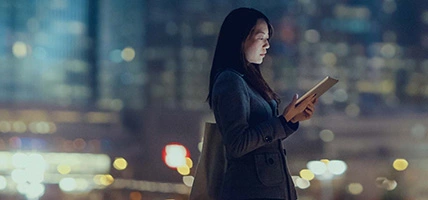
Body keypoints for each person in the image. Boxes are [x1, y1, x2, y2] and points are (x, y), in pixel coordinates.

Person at [206, 8, 317, 200]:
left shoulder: (248, 80)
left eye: (268, 38)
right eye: (261, 37)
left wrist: (289, 121)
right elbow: (238, 144)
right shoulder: (230, 81)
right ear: (239, 39)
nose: (267, 45)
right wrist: (282, 120)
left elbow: (263, 142)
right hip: (250, 191)